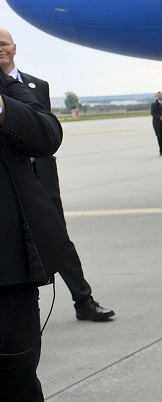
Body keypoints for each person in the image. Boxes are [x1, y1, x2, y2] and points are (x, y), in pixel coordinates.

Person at [0, 28, 115, 325]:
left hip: (42, 178)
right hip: (10, 179)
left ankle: (83, 300)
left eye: (4, 44)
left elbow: (45, 131)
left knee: (57, 237)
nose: (1, 49)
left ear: (15, 48)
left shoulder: (38, 85)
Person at [0, 67, 68, 400]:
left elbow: (48, 133)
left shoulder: (5, 85)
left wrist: (2, 108)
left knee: (18, 378)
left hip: (9, 278)